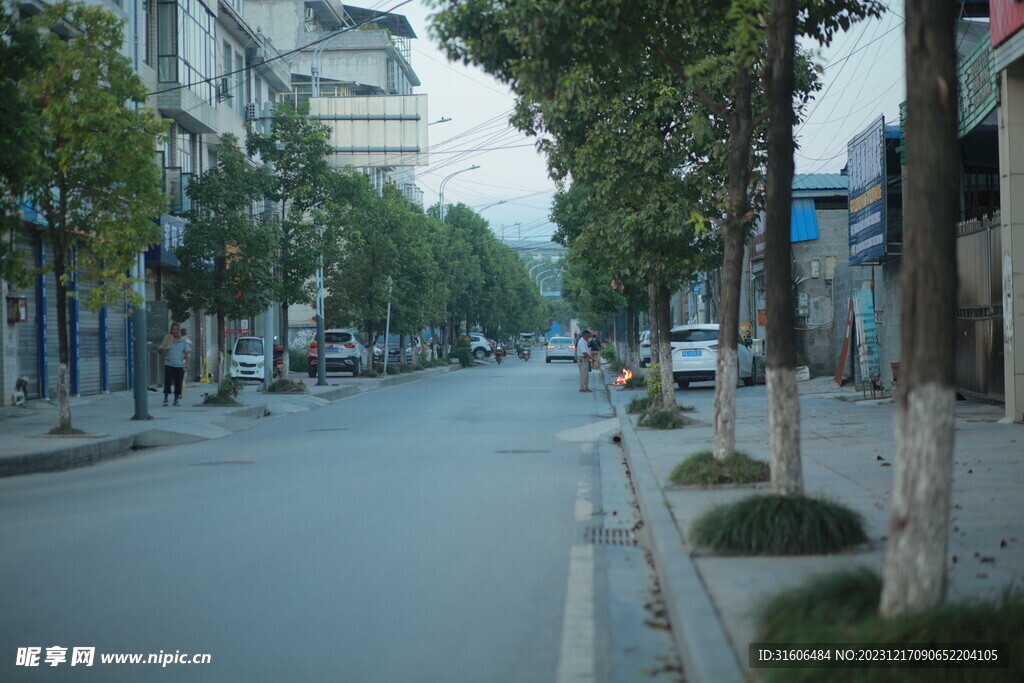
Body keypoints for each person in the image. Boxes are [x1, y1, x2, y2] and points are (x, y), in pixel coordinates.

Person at [158, 323, 190, 406]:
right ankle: (166, 399)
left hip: (179, 365)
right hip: (169, 364)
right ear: (171, 330)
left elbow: (186, 352)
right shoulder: (167, 339)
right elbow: (160, 351)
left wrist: (187, 363)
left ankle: (176, 400)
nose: (175, 331)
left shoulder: (183, 341)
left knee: (178, 383)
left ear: (178, 330)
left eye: (176, 329)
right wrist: (164, 349)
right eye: (173, 329)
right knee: (168, 382)